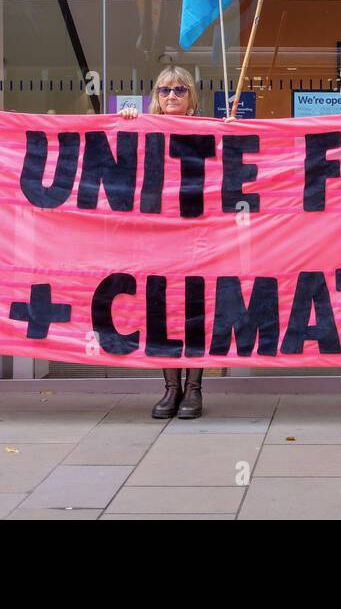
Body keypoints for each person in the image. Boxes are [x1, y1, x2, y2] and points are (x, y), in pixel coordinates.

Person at [121, 66, 209, 420]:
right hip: (157, 240)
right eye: (164, 91)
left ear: (192, 97)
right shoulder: (142, 128)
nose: (171, 96)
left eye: (179, 90)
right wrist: (126, 120)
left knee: (196, 313)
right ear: (155, 97)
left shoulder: (209, 131)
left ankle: (194, 389)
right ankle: (171, 388)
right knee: (161, 311)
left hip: (199, 239)